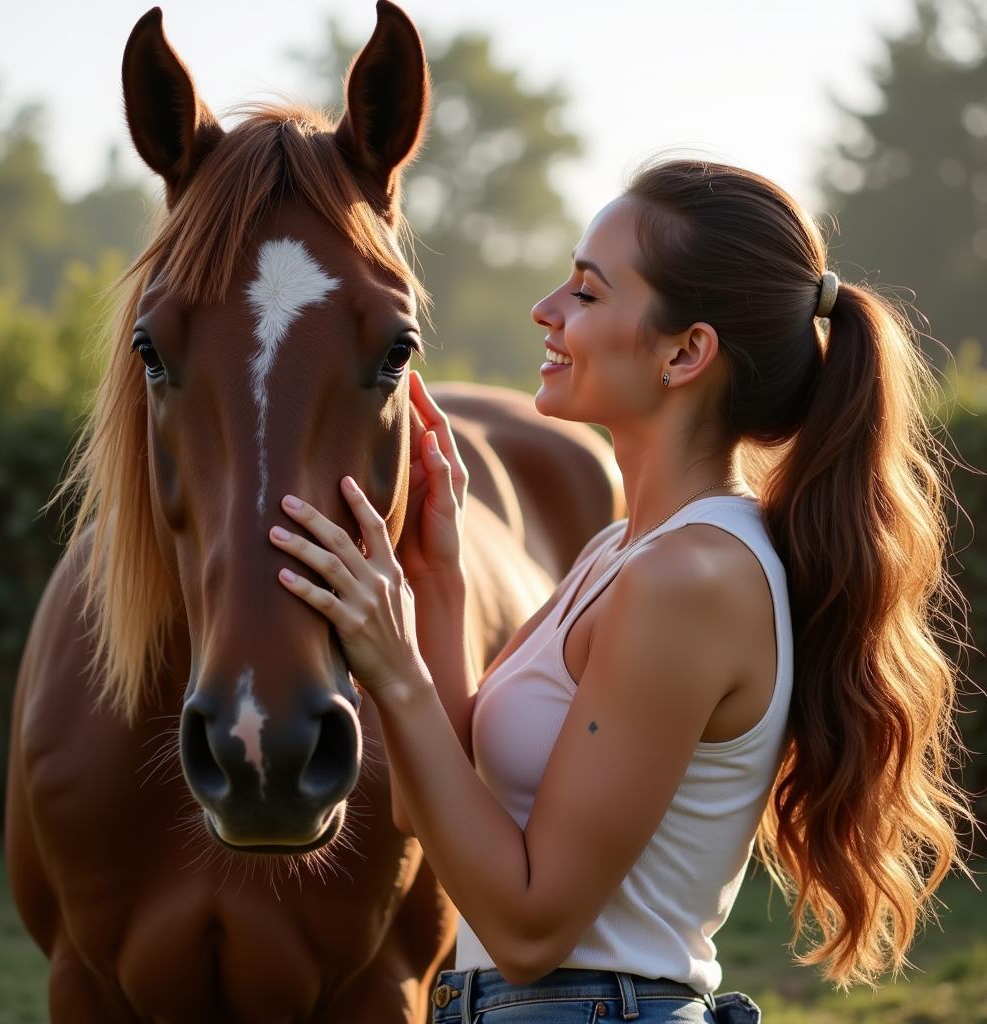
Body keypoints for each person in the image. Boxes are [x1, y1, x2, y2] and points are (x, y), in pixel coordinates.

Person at [267, 158, 972, 1023]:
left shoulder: (692, 579)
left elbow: (530, 930)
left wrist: (395, 666)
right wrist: (436, 578)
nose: (547, 311)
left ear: (686, 352)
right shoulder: (621, 552)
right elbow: (425, 805)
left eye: (588, 294)